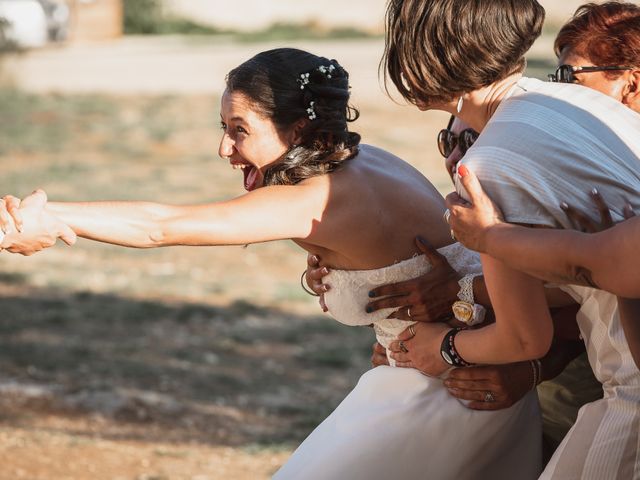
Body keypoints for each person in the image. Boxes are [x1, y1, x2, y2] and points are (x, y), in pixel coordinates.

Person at [0, 48, 542, 479]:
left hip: (443, 401)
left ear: (299, 130)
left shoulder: (316, 199)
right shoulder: (371, 161)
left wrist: (48, 216)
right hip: (451, 390)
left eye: (239, 130)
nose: (224, 149)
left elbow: (160, 225)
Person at [382, 1, 640, 478]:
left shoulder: (487, 168)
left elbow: (525, 337)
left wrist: (443, 348)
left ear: (425, 53)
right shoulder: (573, 101)